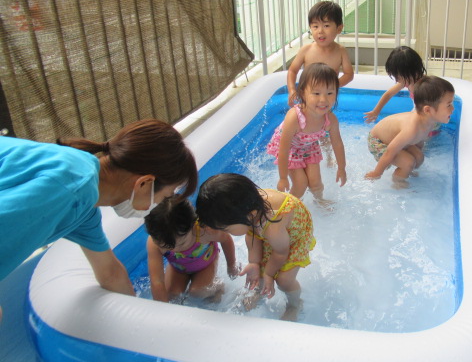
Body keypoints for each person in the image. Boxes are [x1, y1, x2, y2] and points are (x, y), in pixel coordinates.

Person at [0, 118, 198, 318]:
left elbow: (110, 273)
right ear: (144, 183)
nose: (158, 205)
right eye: (165, 196)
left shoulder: (85, 203)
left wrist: (143, 320)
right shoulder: (72, 190)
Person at [195, 173, 315, 322]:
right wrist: (254, 263)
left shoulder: (273, 227)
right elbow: (252, 234)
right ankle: (259, 290)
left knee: (284, 280)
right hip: (271, 232)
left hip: (293, 236)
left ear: (250, 216)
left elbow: (280, 253)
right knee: (260, 267)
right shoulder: (246, 206)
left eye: (226, 229)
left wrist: (269, 274)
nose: (225, 233)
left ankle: (294, 305)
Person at [266, 62, 347, 201]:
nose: (323, 99)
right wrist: (283, 177)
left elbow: (337, 144)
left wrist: (341, 168)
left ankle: (320, 201)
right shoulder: (294, 117)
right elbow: (284, 149)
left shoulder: (331, 119)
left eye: (330, 93)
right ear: (303, 93)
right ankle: (286, 208)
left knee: (316, 184)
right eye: (316, 93)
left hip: (309, 147)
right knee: (301, 184)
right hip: (290, 149)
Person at [365, 76, 455, 188]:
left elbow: (419, 141)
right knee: (408, 162)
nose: (453, 108)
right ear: (427, 110)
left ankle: (405, 171)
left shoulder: (430, 122)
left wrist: (415, 158)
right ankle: (398, 183)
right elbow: (390, 151)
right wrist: (377, 173)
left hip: (393, 140)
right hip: (378, 141)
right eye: (449, 105)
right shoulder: (411, 129)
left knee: (419, 158)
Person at [145, 197, 239, 303]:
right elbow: (157, 282)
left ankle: (219, 287)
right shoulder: (154, 243)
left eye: (181, 244)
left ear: (193, 225)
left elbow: (226, 239)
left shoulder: (204, 230)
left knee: (197, 291)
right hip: (178, 268)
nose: (174, 250)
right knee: (171, 295)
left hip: (206, 264)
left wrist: (231, 266)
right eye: (166, 247)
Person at [286, 1, 354, 107]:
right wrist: (292, 90)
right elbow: (292, 71)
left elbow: (349, 74)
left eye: (326, 26)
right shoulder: (306, 50)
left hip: (326, 99)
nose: (320, 31)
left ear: (339, 28)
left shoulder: (340, 51)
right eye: (315, 26)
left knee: (325, 116)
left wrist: (331, 88)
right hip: (307, 97)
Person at [364, 45, 426, 123]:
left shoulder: (425, 86)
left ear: (410, 72)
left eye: (398, 77)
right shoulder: (406, 81)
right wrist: (376, 111)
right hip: (417, 115)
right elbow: (388, 94)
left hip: (426, 121)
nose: (397, 81)